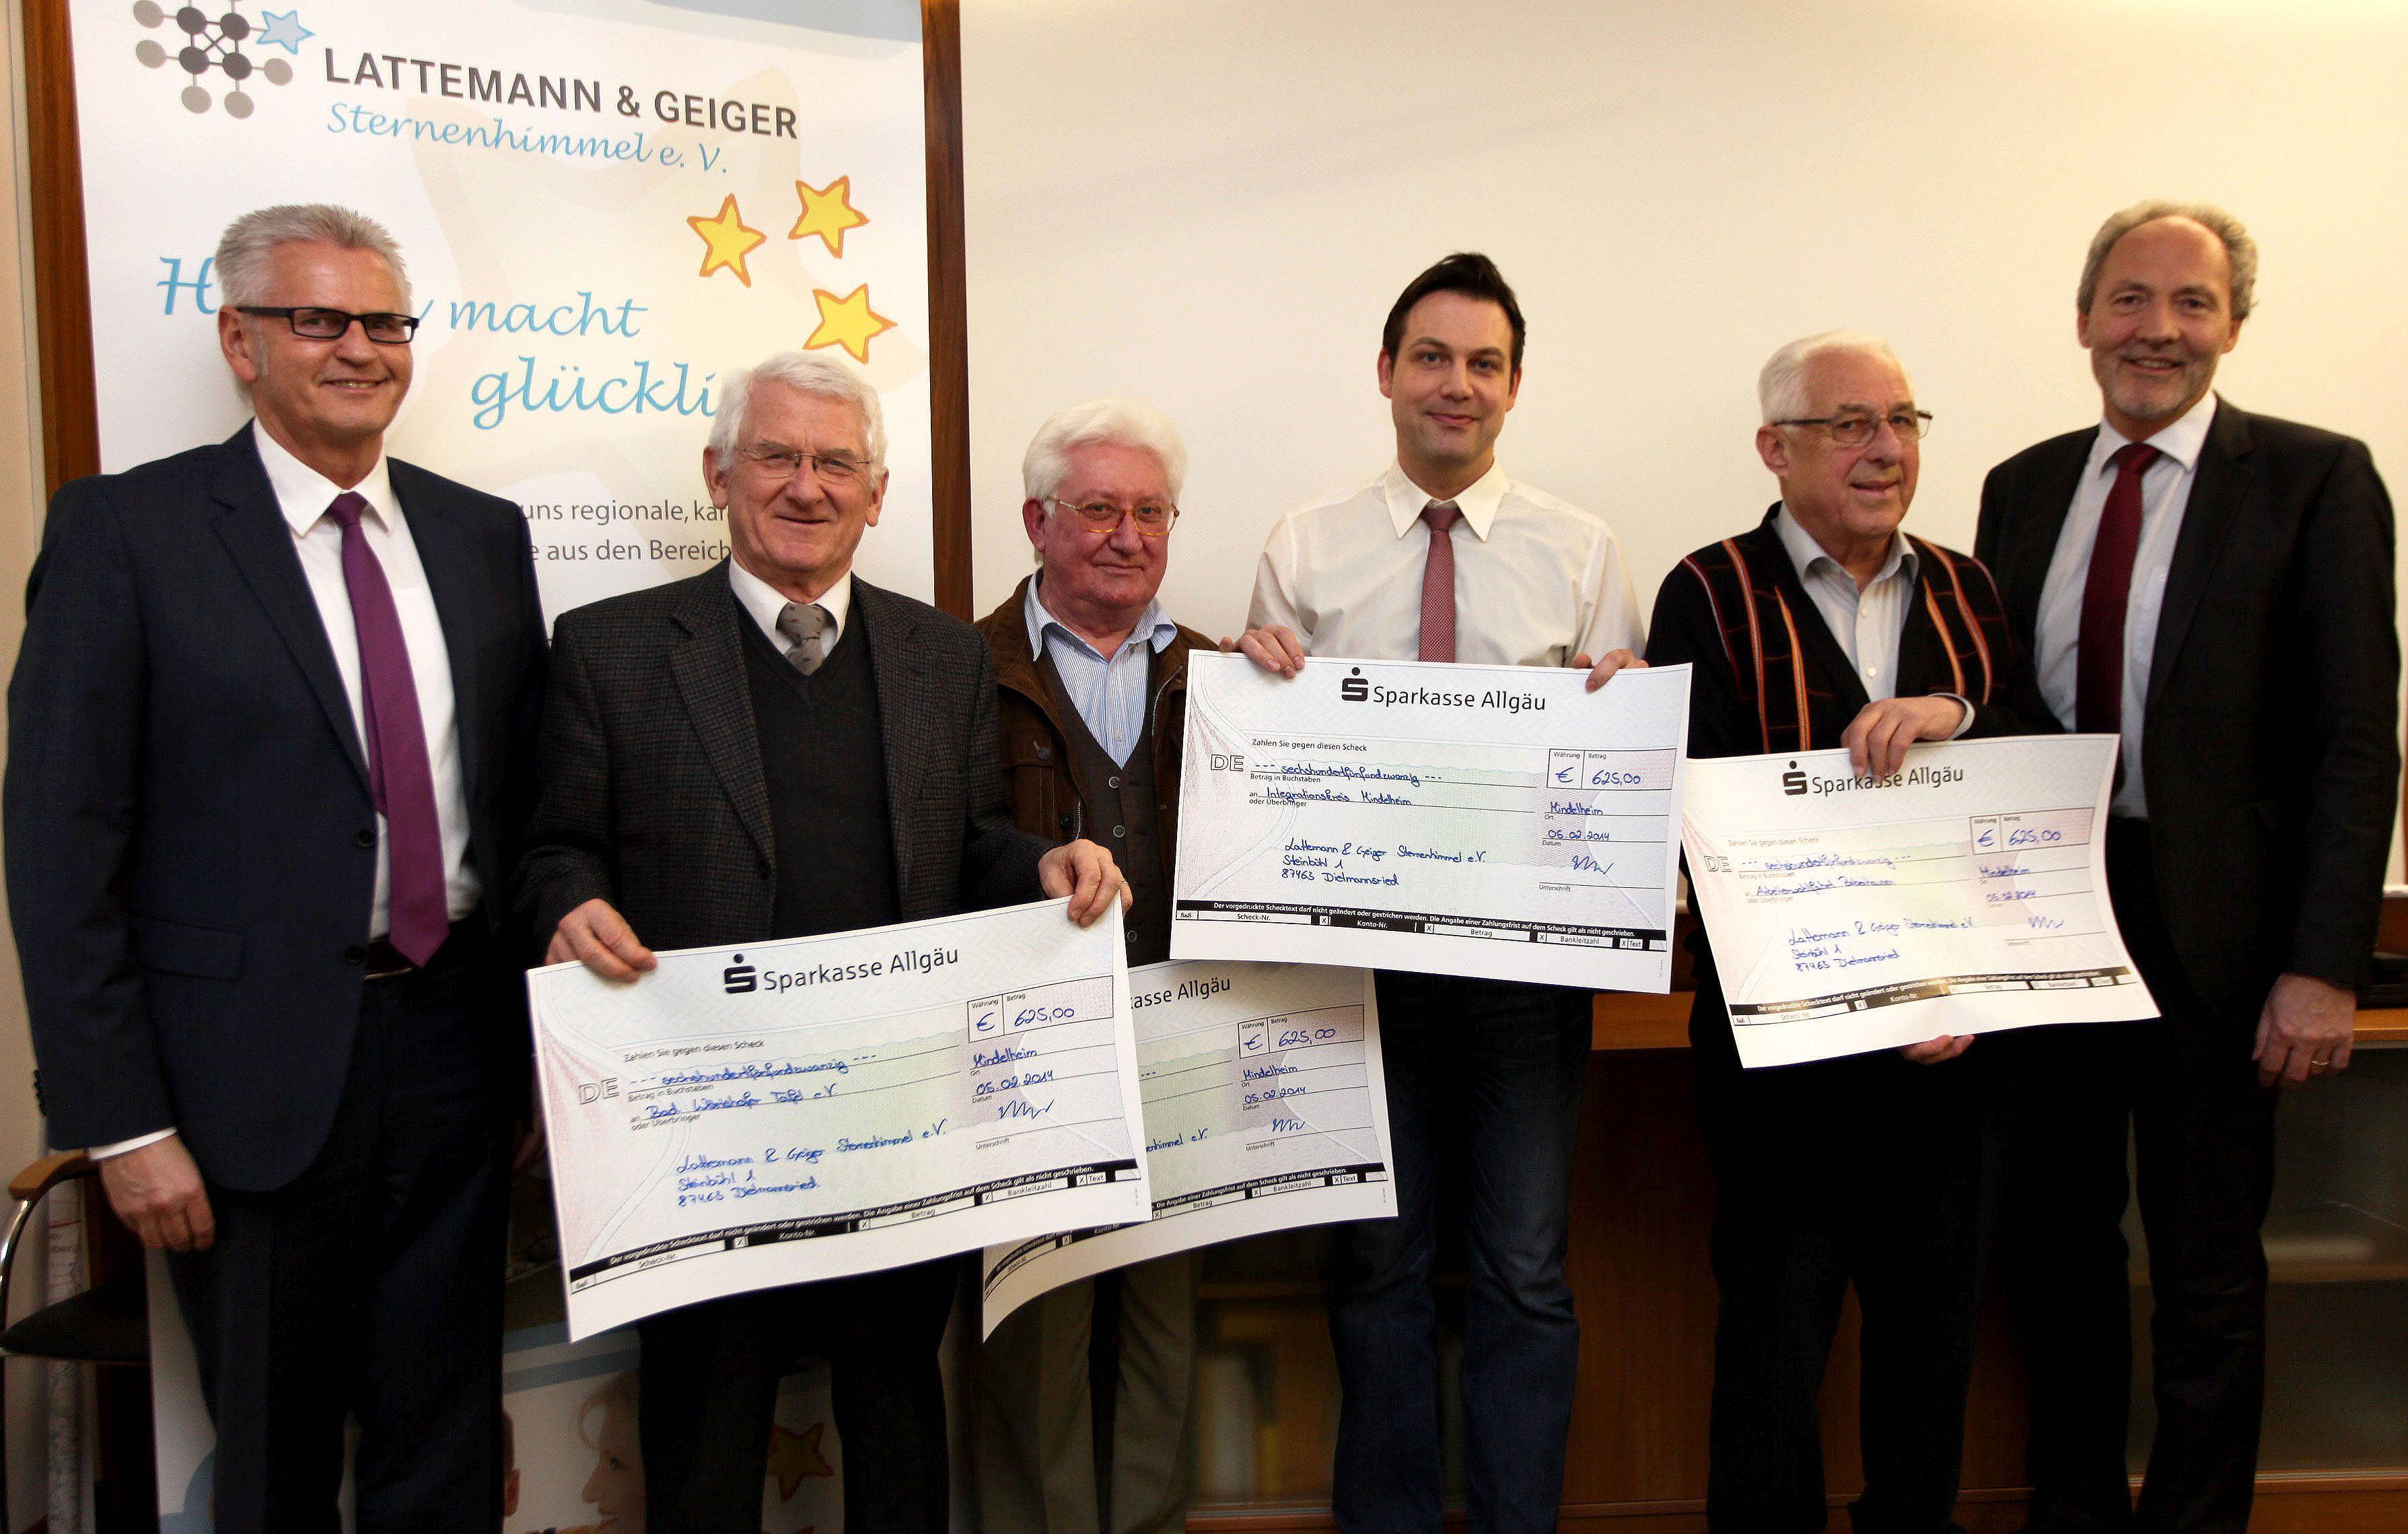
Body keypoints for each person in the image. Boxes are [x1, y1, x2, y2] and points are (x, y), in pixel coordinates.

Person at [513, 351, 1128, 1534]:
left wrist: (1042, 865)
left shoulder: (938, 654)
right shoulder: (613, 650)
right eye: (778, 457)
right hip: (701, 1128)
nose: (808, 486)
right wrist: (565, 902)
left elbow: (975, 844)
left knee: (897, 1413)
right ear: (718, 475)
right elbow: (553, 846)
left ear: (876, 493)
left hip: (899, 1115)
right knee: (706, 1423)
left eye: (836, 463)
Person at [5, 203, 548, 1530]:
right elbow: (59, 845)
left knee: (445, 1436)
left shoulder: (480, 535)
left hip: (456, 1056)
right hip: (241, 1084)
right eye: (318, 320)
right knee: (272, 1455)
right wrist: (120, 1122)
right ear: (241, 341)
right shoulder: (126, 534)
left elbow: (522, 805)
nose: (359, 348)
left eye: (383, 322)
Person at [1975, 201, 2398, 1534]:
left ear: (2232, 325)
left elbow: (2352, 739)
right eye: (2129, 297)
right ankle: (2076, 1513)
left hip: (2221, 941)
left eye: (2191, 302)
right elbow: (1994, 710)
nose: (2155, 328)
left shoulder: (2315, 479)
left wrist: (2322, 968)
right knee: (2059, 1259)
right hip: (2048, 920)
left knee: (2208, 1268)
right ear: (2085, 314)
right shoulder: (2021, 483)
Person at [1232, 252, 1643, 1533]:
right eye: (1430, 357)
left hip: (1525, 983)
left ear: (1514, 387)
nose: (1453, 385)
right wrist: (1253, 682)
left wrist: (1620, 720)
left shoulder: (1583, 553)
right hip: (1358, 981)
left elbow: (1606, 775)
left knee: (1525, 1271)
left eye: (1481, 363)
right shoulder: (1303, 547)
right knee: (1377, 1269)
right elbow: (1266, 781)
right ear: (1385, 375)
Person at [1648, 333, 2051, 1534]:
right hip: (1785, 1066)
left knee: (1930, 1350)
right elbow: (1702, 822)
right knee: (1774, 1348)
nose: (1885, 449)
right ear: (1775, 449)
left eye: (1904, 420)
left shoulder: (1971, 592)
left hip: (1954, 1057)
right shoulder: (1705, 591)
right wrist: (1873, 989)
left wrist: (1957, 709)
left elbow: (2029, 785)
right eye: (1849, 424)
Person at [972, 399, 1214, 1534]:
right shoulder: (957, 667)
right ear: (1035, 520)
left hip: (1183, 1035)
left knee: (1167, 1328)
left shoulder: (1223, 672)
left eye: (1149, 511)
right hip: (1025, 1051)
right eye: (1097, 509)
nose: (1127, 535)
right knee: (1036, 1330)